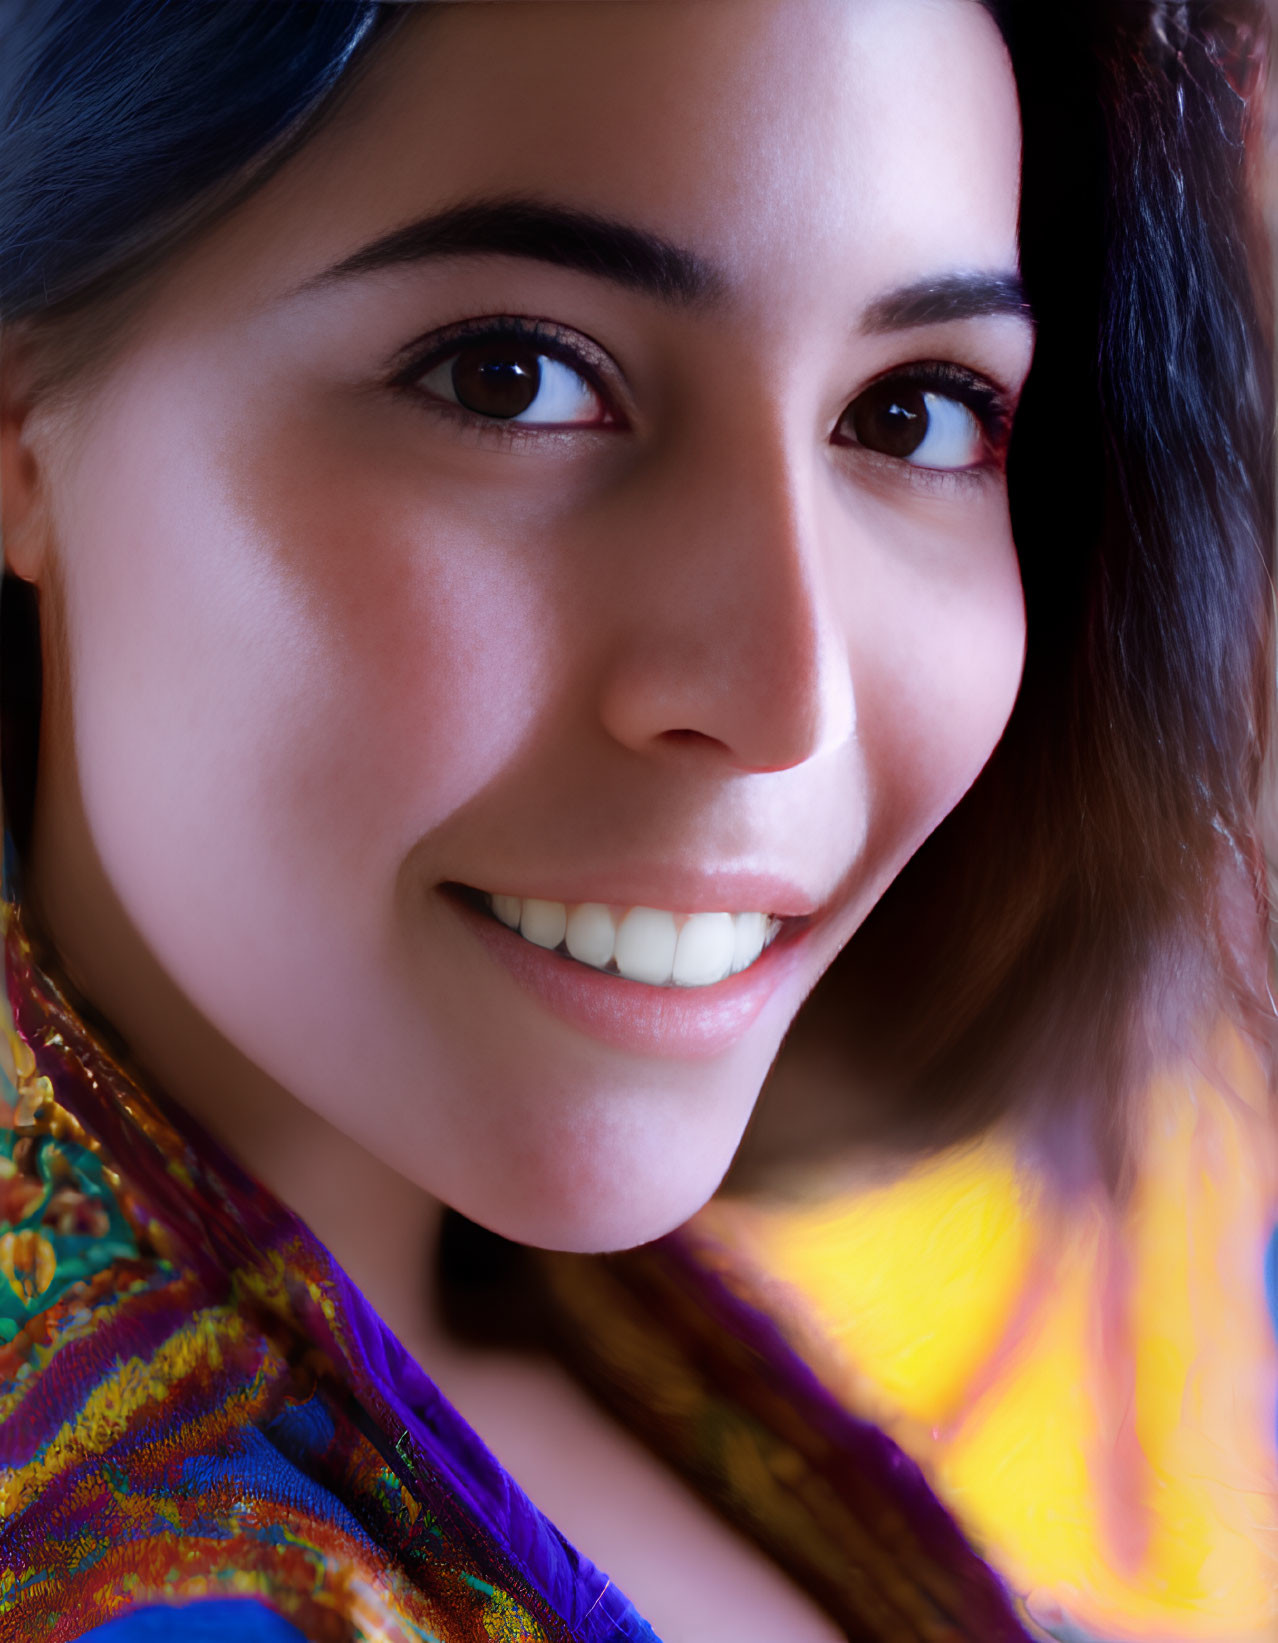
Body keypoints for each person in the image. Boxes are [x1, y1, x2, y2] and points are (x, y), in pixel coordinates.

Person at [0, 2, 1270, 1641]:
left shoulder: (578, 1352)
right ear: (25, 421)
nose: (784, 695)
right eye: (510, 378)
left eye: (912, 415)